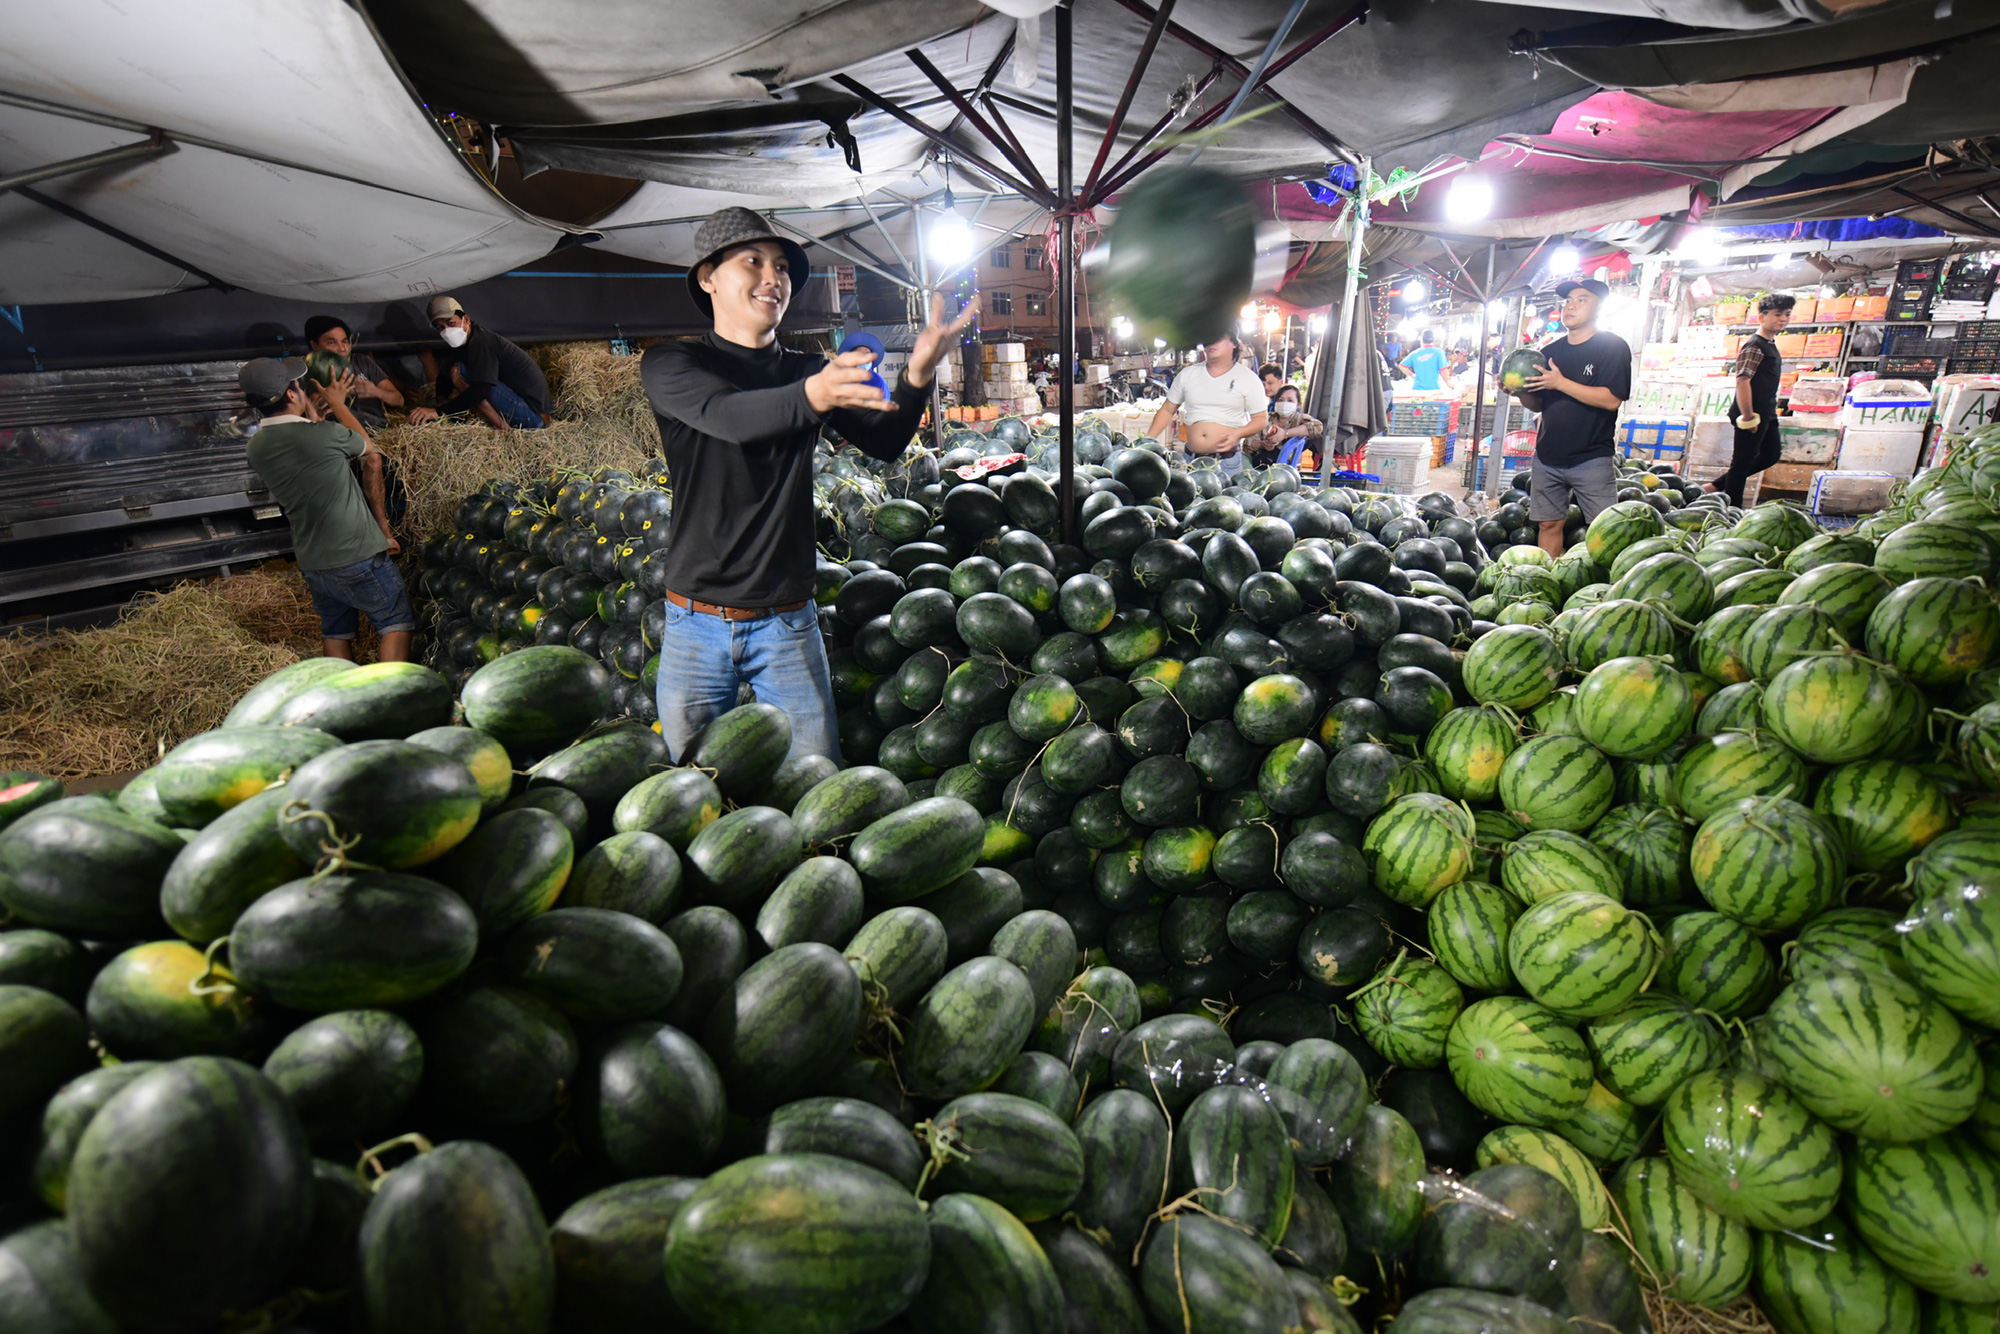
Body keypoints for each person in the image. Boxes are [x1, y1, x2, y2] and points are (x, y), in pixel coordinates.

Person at [642, 207, 975, 764]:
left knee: (818, 783)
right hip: (694, 622)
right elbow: (728, 417)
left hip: (787, 622)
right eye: (753, 262)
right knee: (693, 786)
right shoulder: (674, 363)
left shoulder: (804, 370)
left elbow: (886, 441)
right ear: (708, 277)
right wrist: (815, 395)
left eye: (782, 268)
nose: (773, 278)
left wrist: (916, 379)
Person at [239, 357, 412, 662]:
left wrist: (311, 415)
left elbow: (306, 447)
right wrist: (338, 403)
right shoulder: (323, 435)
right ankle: (391, 700)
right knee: (395, 623)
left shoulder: (256, 447)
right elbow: (366, 445)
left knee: (336, 631)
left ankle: (340, 700)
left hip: (314, 561)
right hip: (357, 555)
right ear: (293, 395)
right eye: (297, 386)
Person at [1514, 277, 1632, 556]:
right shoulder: (1549, 353)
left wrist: (1560, 383)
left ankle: (1603, 590)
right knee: (1548, 524)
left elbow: (1611, 399)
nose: (1571, 306)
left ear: (1598, 307)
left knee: (1605, 529)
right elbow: (1538, 405)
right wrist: (1518, 392)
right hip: (1547, 457)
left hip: (1591, 457)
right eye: (1568, 300)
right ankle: (1549, 579)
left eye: (1582, 299)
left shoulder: (1612, 347)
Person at [406, 296, 551, 430]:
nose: (447, 331)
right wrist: (441, 400)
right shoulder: (466, 342)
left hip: (533, 418)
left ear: (466, 319)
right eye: (440, 327)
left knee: (459, 371)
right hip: (527, 411)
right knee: (456, 369)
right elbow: (444, 375)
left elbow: (480, 391)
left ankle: (503, 428)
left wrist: (438, 412)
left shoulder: (482, 343)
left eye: (451, 323)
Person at [1708, 293, 1794, 505]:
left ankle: (1714, 487)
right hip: (1751, 413)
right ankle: (1731, 510)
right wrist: (1748, 415)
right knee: (1742, 463)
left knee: (1771, 454)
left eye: (1787, 314)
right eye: (1777, 314)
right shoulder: (1754, 345)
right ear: (1762, 317)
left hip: (1767, 411)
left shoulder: (1770, 344)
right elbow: (1743, 381)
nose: (1782, 319)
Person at [1146, 331, 1267, 476]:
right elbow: (1167, 409)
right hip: (1190, 460)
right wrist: (1147, 442)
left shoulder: (1248, 378)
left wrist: (1238, 433)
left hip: (1226, 463)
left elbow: (1261, 419)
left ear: (1234, 343)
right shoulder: (1188, 374)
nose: (1211, 342)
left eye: (1218, 337)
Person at [302, 316, 403, 430]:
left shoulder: (362, 361)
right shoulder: (308, 370)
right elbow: (315, 408)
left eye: (345, 341)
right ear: (314, 345)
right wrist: (332, 398)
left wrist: (377, 392)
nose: (342, 348)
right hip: (340, 434)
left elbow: (399, 400)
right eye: (332, 342)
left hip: (377, 430)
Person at [1249, 382, 1324, 468]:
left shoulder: (1299, 419)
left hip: (1287, 468)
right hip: (1259, 463)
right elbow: (1248, 444)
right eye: (1281, 400)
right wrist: (1263, 444)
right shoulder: (1266, 419)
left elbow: (1317, 427)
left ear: (1298, 404)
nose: (1285, 403)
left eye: (1290, 400)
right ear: (1275, 403)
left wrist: (1285, 433)